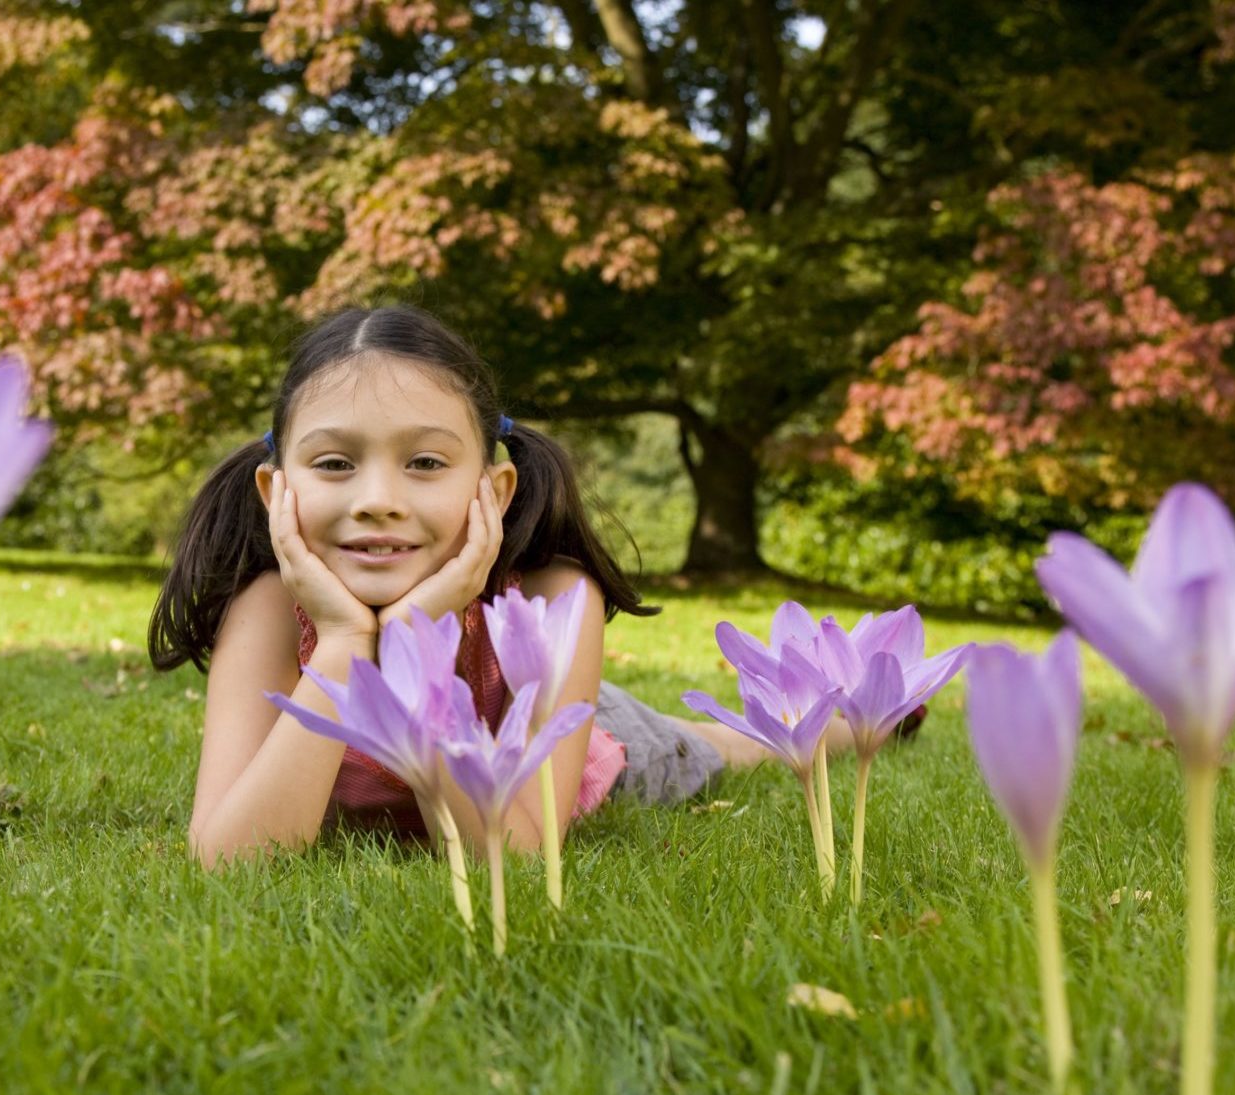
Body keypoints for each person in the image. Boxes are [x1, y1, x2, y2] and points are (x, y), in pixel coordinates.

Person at [150, 305, 823, 867]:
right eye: (334, 462)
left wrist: (416, 644)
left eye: (424, 462)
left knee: (738, 744)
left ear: (493, 490)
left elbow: (521, 853)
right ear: (277, 491)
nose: (377, 499)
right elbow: (227, 857)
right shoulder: (269, 605)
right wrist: (343, 639)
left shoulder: (551, 601)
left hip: (565, 730)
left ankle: (838, 714)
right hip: (497, 705)